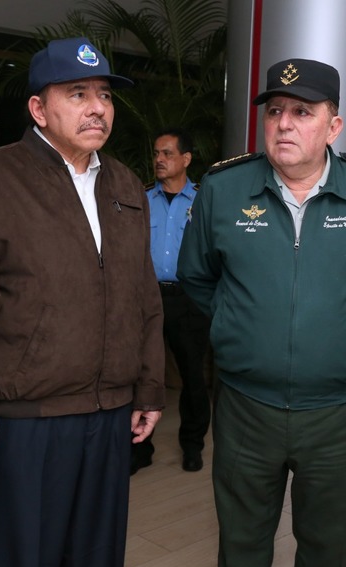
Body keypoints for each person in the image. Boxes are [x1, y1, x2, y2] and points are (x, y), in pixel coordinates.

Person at [177, 58, 346, 567]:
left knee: (326, 549)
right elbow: (197, 278)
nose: (284, 124)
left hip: (337, 412)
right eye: (274, 111)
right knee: (241, 546)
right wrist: (241, 324)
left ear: (334, 126)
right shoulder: (223, 188)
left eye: (302, 112)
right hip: (246, 407)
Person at [0, 37, 165, 567]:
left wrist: (149, 388)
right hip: (27, 422)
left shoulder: (125, 184)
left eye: (104, 95)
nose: (97, 108)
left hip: (109, 415)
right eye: (78, 93)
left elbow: (144, 298)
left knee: (96, 563)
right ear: (38, 108)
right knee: (27, 565)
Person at [131, 127, 210, 475]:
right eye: (156, 154)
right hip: (147, 297)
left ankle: (192, 446)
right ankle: (139, 447)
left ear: (186, 159)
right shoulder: (142, 199)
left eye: (167, 153)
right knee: (140, 372)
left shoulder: (203, 201)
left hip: (188, 298)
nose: (159, 160)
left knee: (193, 375)